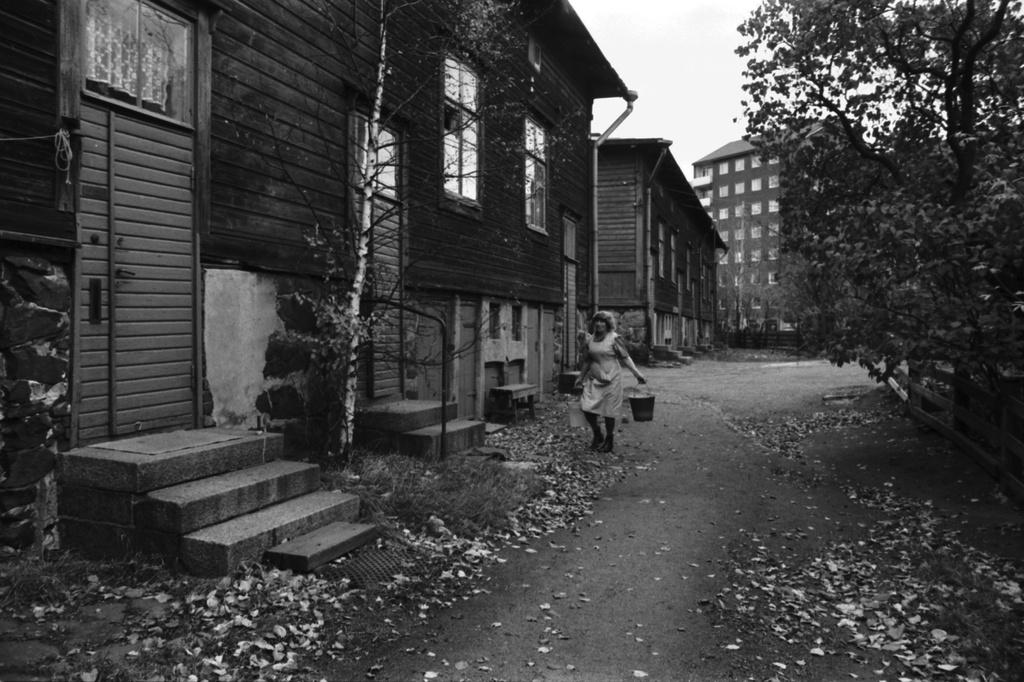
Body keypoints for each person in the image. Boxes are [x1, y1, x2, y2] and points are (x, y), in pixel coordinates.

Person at [573, 310, 646, 452]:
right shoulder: (591, 339)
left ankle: (609, 440)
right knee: (586, 406)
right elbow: (587, 360)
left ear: (608, 324)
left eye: (602, 321)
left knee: (609, 411)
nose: (599, 324)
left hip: (612, 378)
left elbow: (625, 357)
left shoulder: (614, 338)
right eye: (597, 321)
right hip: (595, 377)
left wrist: (637, 374)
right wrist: (580, 378)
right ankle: (597, 433)